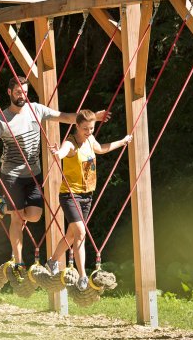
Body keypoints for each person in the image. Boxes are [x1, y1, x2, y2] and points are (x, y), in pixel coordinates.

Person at [0, 76, 109, 274]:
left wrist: (93, 118)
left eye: (25, 92)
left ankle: (2, 206)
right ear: (9, 92)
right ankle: (19, 263)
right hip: (11, 175)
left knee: (35, 216)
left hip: (33, 173)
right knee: (18, 219)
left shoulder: (36, 109)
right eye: (18, 92)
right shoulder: (0, 120)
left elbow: (63, 117)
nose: (23, 96)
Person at [46, 109, 132, 290]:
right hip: (70, 195)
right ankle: (83, 276)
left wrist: (122, 141)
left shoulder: (90, 140)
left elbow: (101, 149)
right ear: (76, 126)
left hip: (87, 195)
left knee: (72, 235)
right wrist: (56, 153)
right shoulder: (71, 143)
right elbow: (62, 153)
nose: (88, 132)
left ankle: (53, 261)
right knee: (81, 233)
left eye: (91, 128)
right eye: (85, 128)